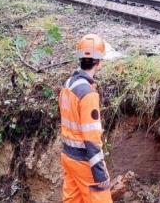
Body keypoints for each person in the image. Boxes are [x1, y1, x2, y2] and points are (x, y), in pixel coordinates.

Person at [59, 34, 112, 203]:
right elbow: (92, 138)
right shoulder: (88, 94)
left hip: (68, 157)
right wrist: (100, 173)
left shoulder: (68, 85)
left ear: (80, 59)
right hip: (84, 163)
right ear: (99, 62)